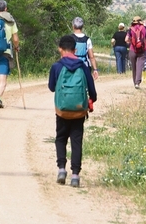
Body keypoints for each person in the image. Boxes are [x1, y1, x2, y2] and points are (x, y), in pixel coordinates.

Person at [49, 34, 97, 188]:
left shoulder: (56, 66)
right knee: (76, 141)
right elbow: (92, 90)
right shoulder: (82, 66)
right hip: (78, 111)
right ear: (75, 50)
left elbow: (51, 87)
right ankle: (75, 176)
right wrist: (91, 100)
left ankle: (61, 169)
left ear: (60, 49)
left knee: (61, 138)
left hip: (62, 110)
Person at [125, 16, 146, 89]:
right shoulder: (144, 28)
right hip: (142, 50)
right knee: (139, 66)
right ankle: (138, 82)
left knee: (134, 67)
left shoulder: (130, 29)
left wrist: (132, 42)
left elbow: (126, 40)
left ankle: (135, 83)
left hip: (132, 49)